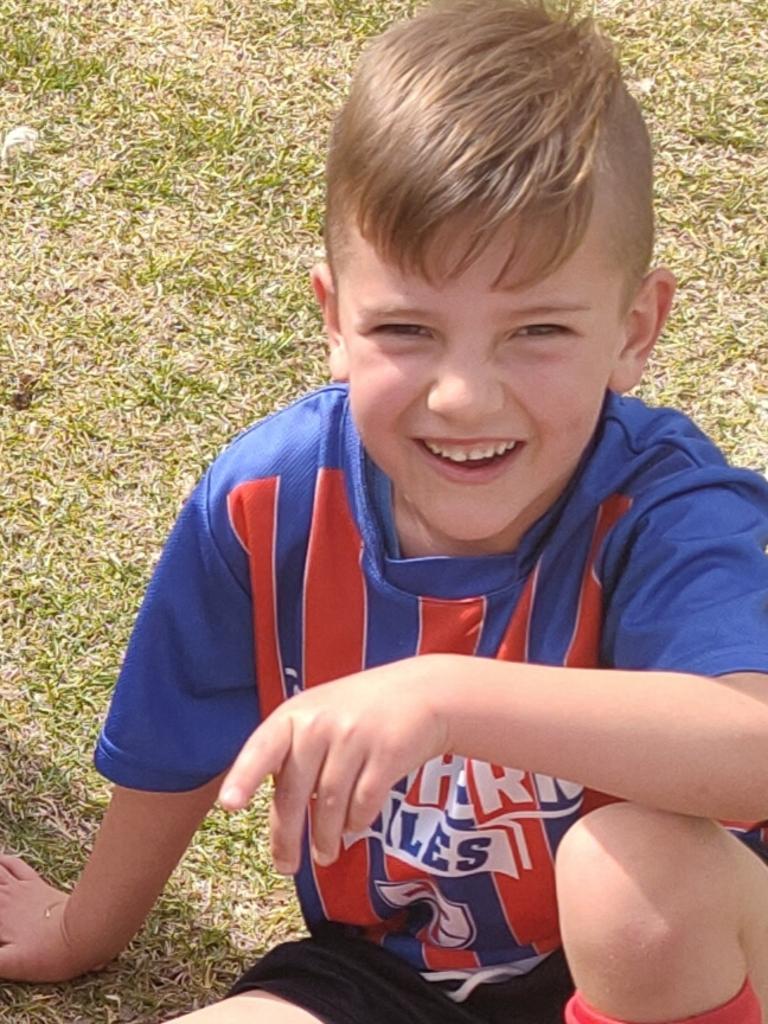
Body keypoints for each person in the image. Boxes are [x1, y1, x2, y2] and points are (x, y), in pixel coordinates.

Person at [1, 1, 767, 1022]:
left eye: (536, 329)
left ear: (635, 329)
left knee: (631, 882)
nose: (463, 395)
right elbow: (169, 751)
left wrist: (445, 695)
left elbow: (750, 740)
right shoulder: (265, 499)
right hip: (393, 970)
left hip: (680, 954)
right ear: (333, 317)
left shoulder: (665, 510)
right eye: (407, 327)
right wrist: (75, 933)